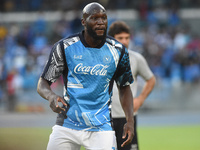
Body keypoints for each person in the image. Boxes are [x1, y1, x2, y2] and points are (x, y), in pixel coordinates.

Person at [37, 3, 134, 150]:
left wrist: (130, 121)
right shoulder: (64, 47)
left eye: (104, 18)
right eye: (94, 18)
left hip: (101, 126)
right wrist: (50, 96)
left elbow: (124, 87)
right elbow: (43, 83)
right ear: (83, 22)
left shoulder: (118, 50)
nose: (100, 22)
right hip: (67, 124)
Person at [108, 21, 156, 150]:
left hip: (127, 118)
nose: (124, 41)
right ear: (112, 39)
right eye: (120, 38)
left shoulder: (136, 58)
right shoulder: (102, 59)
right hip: (105, 118)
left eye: (127, 38)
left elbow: (151, 80)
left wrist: (140, 99)